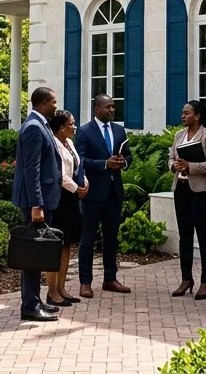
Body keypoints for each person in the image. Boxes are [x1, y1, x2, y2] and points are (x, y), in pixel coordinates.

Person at [11, 86, 64, 322]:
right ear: (43, 103)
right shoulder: (34, 127)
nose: (56, 105)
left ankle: (35, 299)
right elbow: (32, 169)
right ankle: (30, 305)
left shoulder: (40, 124)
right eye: (53, 101)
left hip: (42, 199)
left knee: (37, 252)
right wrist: (36, 204)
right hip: (36, 202)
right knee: (33, 253)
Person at [75, 93, 133, 298]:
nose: (112, 110)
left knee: (111, 239)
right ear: (97, 109)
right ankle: (85, 282)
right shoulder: (84, 131)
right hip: (93, 193)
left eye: (113, 107)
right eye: (108, 107)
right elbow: (79, 160)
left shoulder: (119, 130)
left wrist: (122, 162)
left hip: (114, 192)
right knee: (88, 238)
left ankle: (110, 278)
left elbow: (129, 156)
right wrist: (103, 164)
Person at [168, 100, 206, 300]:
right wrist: (174, 166)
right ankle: (186, 279)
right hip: (181, 189)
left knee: (204, 236)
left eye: (187, 113)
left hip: (201, 192)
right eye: (182, 113)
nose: (183, 116)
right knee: (184, 235)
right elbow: (171, 157)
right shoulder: (178, 135)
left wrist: (190, 166)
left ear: (197, 116)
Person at [45, 109, 87, 306]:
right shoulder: (53, 144)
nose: (74, 127)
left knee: (67, 243)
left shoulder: (69, 143)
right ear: (61, 127)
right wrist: (76, 188)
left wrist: (84, 182)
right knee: (56, 245)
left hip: (72, 198)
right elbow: (58, 173)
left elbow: (77, 166)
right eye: (71, 123)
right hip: (59, 198)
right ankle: (51, 291)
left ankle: (62, 288)